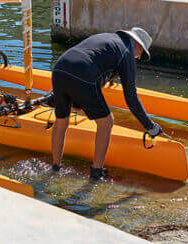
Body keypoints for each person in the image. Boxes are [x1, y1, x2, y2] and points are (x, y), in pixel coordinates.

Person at [50, 28, 162, 180]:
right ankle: (97, 172)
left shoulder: (108, 37)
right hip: (82, 73)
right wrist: (150, 126)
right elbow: (131, 98)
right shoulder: (126, 53)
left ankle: (56, 167)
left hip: (59, 68)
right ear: (138, 45)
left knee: (62, 120)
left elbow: (94, 58)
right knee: (106, 122)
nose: (138, 57)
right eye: (141, 53)